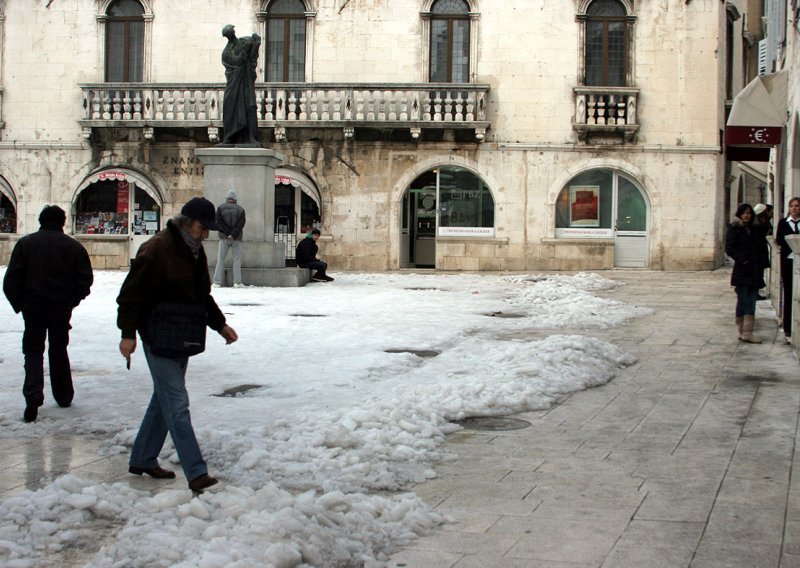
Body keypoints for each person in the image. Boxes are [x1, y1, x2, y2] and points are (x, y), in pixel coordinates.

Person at [117, 197, 239, 492]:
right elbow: (130, 295)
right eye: (202, 228)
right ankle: (196, 472)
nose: (206, 234)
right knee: (177, 403)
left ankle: (144, 457)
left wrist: (220, 325)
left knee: (164, 399)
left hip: (182, 333)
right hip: (157, 334)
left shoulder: (194, 252)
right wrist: (128, 333)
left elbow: (202, 296)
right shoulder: (157, 248)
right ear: (187, 223)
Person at [3, 205, 94, 423]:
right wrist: (71, 301)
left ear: (41, 221)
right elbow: (85, 280)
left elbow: (11, 281)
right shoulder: (73, 247)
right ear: (63, 222)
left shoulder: (26, 244)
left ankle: (33, 396)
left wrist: (21, 304)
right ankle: (63, 394)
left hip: (33, 307)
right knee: (58, 349)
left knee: (33, 351)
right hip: (60, 307)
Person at [725, 203, 763, 343]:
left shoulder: (755, 230)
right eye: (744, 213)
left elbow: (761, 248)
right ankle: (742, 330)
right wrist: (743, 260)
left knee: (752, 300)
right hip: (742, 270)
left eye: (749, 213)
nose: (746, 215)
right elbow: (730, 248)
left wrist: (763, 264)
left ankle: (748, 332)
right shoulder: (734, 229)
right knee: (743, 300)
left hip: (754, 270)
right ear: (740, 214)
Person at [220, 24, 261, 146]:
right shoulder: (226, 53)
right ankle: (229, 137)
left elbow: (252, 58)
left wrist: (256, 44)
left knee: (250, 107)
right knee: (230, 107)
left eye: (233, 31)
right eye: (230, 32)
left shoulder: (244, 41)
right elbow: (238, 61)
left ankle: (252, 137)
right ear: (227, 36)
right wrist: (246, 49)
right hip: (234, 85)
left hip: (246, 81)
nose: (233, 33)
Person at [775, 197, 800, 341]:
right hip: (788, 261)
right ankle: (788, 328)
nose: (794, 208)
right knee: (789, 293)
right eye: (792, 206)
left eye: (797, 206)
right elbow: (779, 239)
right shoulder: (784, 223)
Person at [213, 189, 246, 288]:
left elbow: (219, 222)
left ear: (227, 198)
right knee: (237, 260)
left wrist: (227, 233)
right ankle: (237, 282)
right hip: (236, 238)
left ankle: (217, 282)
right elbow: (241, 224)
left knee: (220, 259)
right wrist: (233, 234)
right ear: (235, 199)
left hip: (223, 237)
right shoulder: (240, 209)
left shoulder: (220, 208)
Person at [752, 203, 774, 299]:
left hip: (759, 251)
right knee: (756, 273)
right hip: (757, 252)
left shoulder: (761, 222)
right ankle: (754, 293)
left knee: (758, 272)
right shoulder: (758, 224)